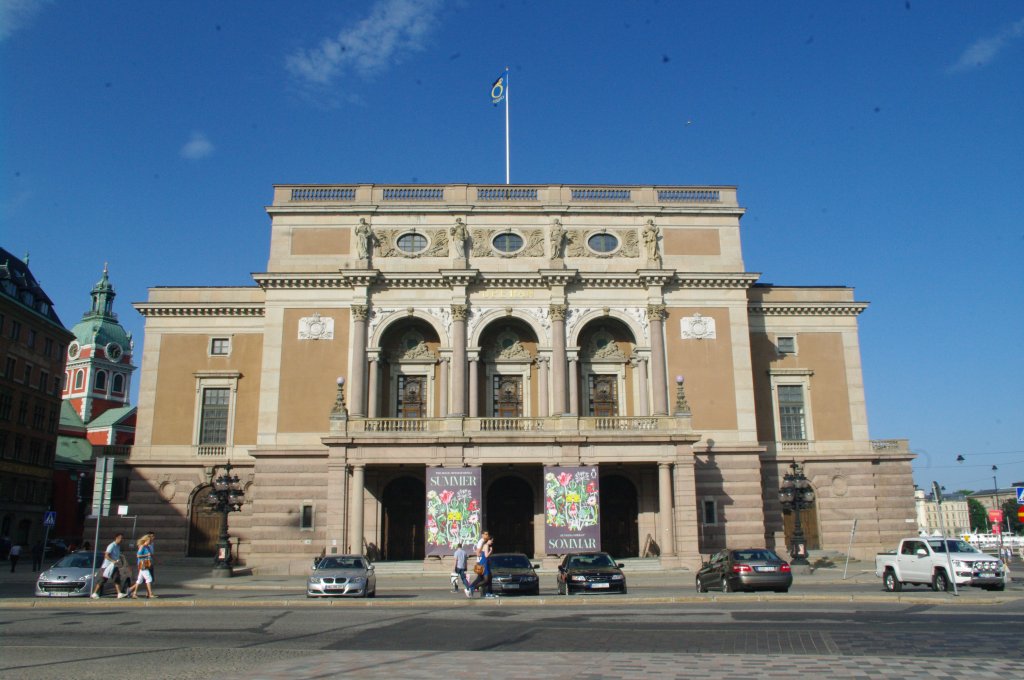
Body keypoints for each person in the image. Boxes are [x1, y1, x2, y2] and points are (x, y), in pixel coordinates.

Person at [91, 533, 126, 599]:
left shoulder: (118, 546)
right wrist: (112, 561)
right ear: (117, 538)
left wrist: (118, 562)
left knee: (116, 578)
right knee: (103, 579)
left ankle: (119, 593)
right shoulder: (111, 545)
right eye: (121, 538)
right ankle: (94, 593)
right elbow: (106, 555)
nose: (122, 540)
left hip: (114, 565)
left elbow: (116, 556)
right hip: (107, 566)